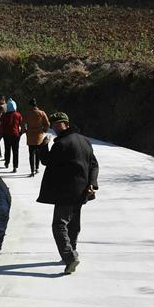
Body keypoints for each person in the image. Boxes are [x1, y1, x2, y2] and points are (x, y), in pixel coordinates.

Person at [37, 112, 99, 275]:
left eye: (57, 125)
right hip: (82, 190)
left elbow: (46, 161)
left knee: (59, 224)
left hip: (66, 191)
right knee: (73, 223)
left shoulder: (62, 143)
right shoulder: (84, 140)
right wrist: (92, 183)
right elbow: (94, 165)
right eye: (54, 125)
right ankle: (73, 250)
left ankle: (69, 257)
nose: (55, 128)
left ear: (66, 124)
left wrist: (43, 145)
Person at [22, 99, 50, 177]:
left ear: (30, 105)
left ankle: (32, 171)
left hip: (30, 135)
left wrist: (25, 131)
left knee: (31, 154)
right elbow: (47, 123)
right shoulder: (41, 113)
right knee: (38, 152)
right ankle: (37, 168)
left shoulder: (27, 114)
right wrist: (44, 130)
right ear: (36, 105)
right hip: (39, 135)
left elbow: (22, 123)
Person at [0, 99, 23, 172]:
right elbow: (21, 125)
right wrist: (20, 133)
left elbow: (2, 126)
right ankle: (15, 167)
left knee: (7, 149)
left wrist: (3, 133)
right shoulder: (18, 115)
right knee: (15, 151)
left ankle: (7, 163)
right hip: (16, 135)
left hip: (6, 135)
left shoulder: (4, 115)